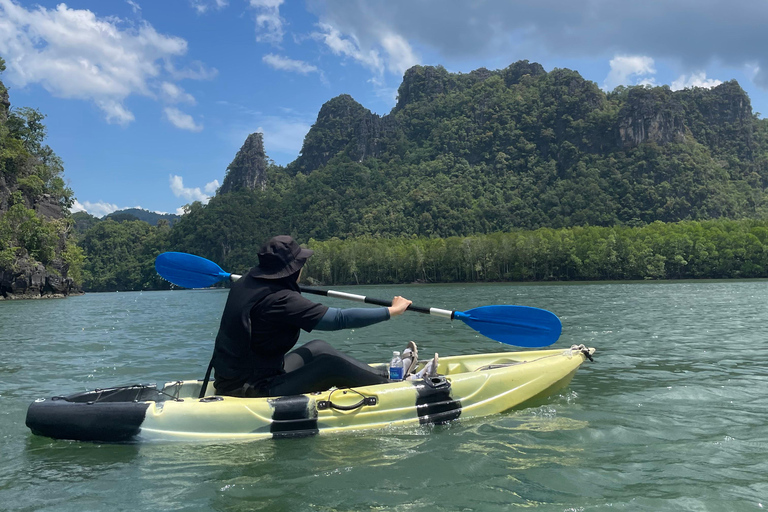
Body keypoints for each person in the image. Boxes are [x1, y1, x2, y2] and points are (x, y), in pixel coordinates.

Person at [212, 235, 419, 398]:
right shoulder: (281, 300)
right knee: (330, 366)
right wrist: (392, 311)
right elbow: (339, 319)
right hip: (252, 387)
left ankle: (387, 373)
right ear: (293, 269)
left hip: (239, 376)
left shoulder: (246, 282)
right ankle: (394, 388)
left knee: (318, 347)